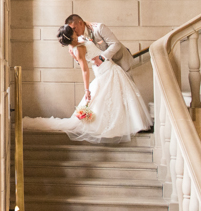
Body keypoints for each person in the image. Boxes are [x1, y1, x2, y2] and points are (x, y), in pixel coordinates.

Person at [22, 23, 151, 144]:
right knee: (109, 99)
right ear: (71, 35)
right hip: (104, 71)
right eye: (73, 30)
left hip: (109, 68)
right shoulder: (78, 49)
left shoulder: (79, 41)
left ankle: (131, 124)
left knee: (119, 97)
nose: (76, 30)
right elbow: (84, 70)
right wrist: (87, 90)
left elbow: (91, 44)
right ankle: (118, 126)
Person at [65, 13, 133, 73]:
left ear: (80, 23)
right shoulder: (79, 39)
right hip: (105, 69)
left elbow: (115, 44)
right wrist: (76, 58)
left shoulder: (99, 28)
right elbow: (86, 60)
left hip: (120, 61)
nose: (73, 32)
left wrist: (102, 57)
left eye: (74, 29)